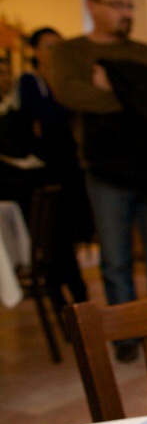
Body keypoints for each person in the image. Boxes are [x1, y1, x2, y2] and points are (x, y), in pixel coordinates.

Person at [49, 0, 147, 365]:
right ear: (92, 5)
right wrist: (139, 96)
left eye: (129, 5)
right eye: (117, 4)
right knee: (115, 258)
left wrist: (114, 85)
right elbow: (72, 94)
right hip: (104, 169)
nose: (126, 12)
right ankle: (124, 334)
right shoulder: (70, 52)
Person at [15, 27, 92, 311]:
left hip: (70, 170)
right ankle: (64, 295)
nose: (55, 51)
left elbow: (68, 114)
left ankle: (76, 296)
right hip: (43, 175)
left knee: (67, 236)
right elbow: (49, 118)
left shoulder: (66, 80)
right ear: (35, 50)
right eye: (49, 46)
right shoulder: (29, 82)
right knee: (53, 238)